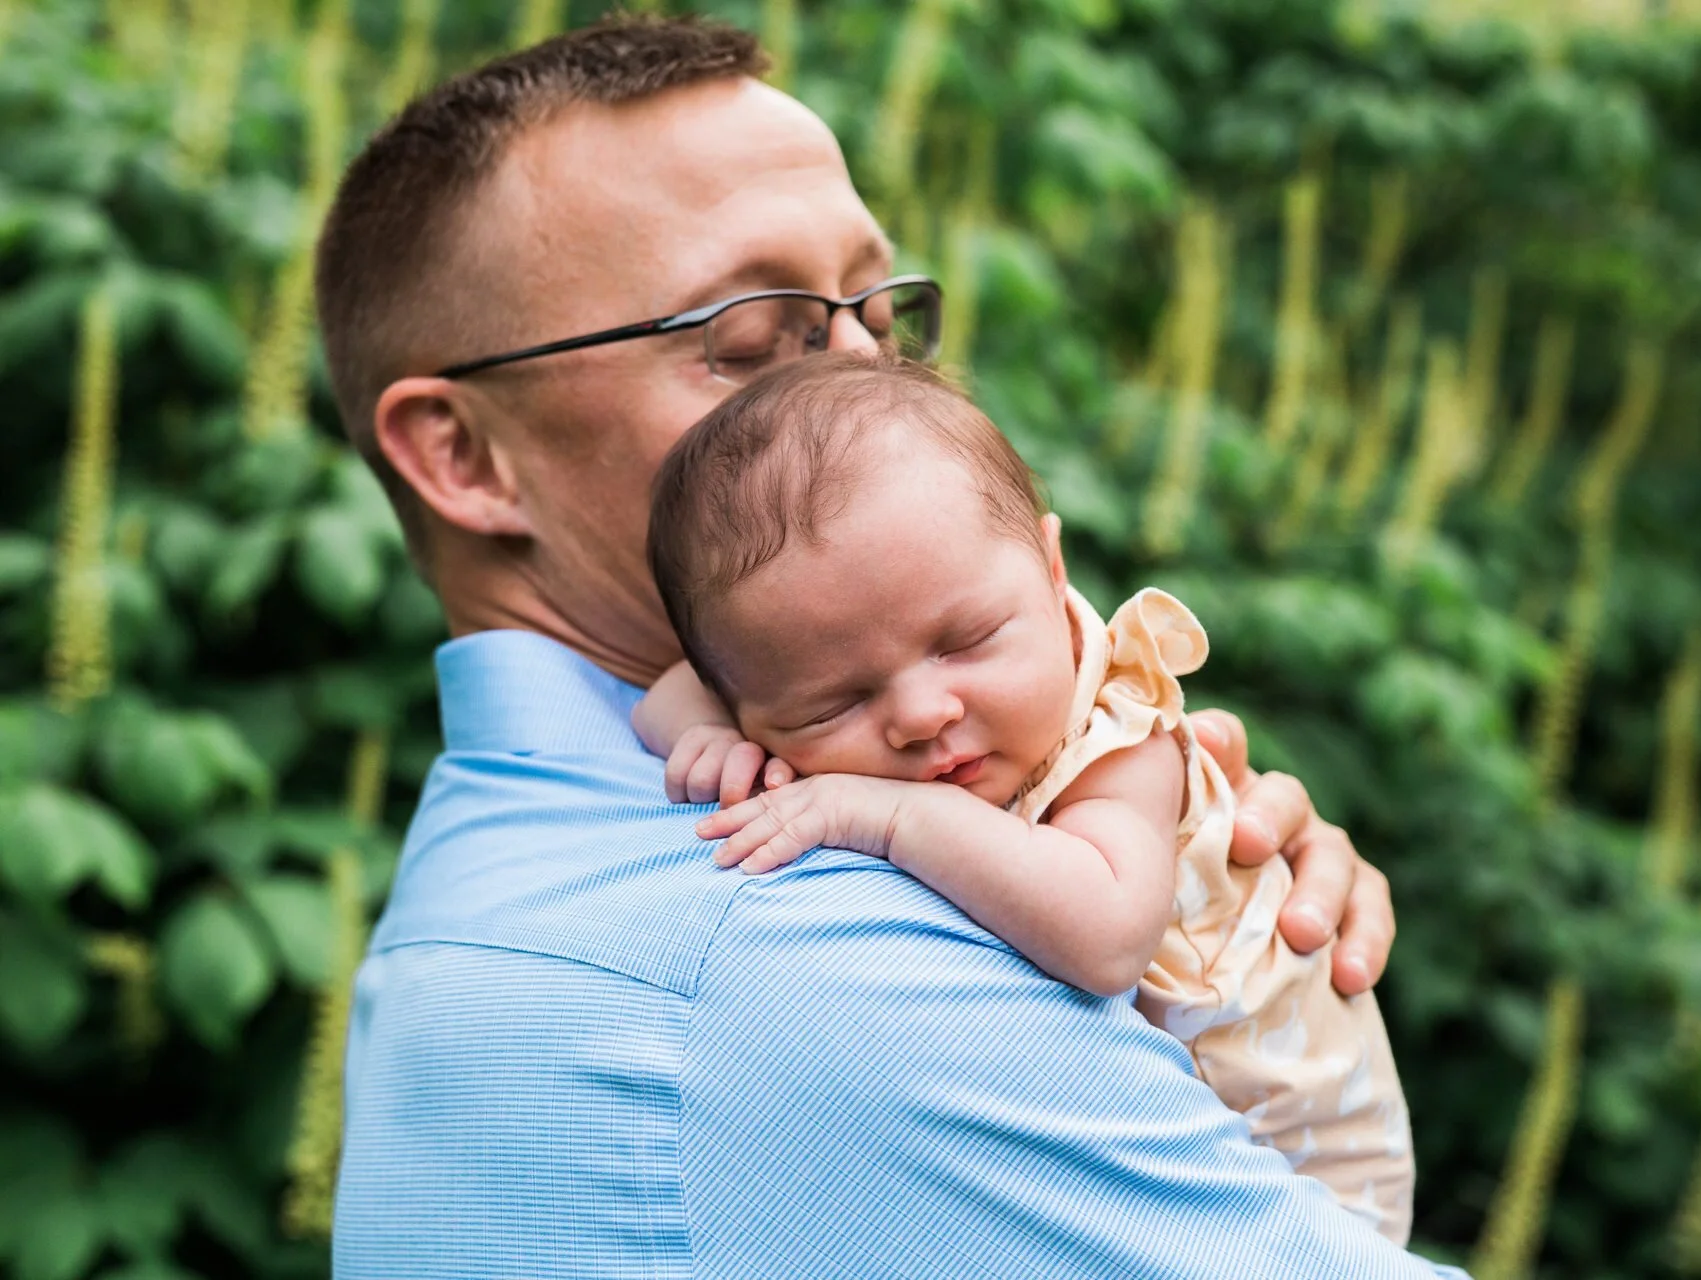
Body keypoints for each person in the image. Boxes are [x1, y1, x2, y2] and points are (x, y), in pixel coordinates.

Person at [317, 13, 1455, 1277]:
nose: (867, 382)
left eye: (882, 313)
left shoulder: (495, 876)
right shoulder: (803, 947)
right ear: (462, 455)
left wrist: (1227, 942)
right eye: (752, 335)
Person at [634, 351, 1417, 1242]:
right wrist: (710, 737)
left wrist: (894, 815)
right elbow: (669, 693)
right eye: (837, 701)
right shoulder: (804, 693)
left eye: (964, 640)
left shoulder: (1119, 737)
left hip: (1307, 1168)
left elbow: (1106, 935)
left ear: (1051, 570)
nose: (924, 715)